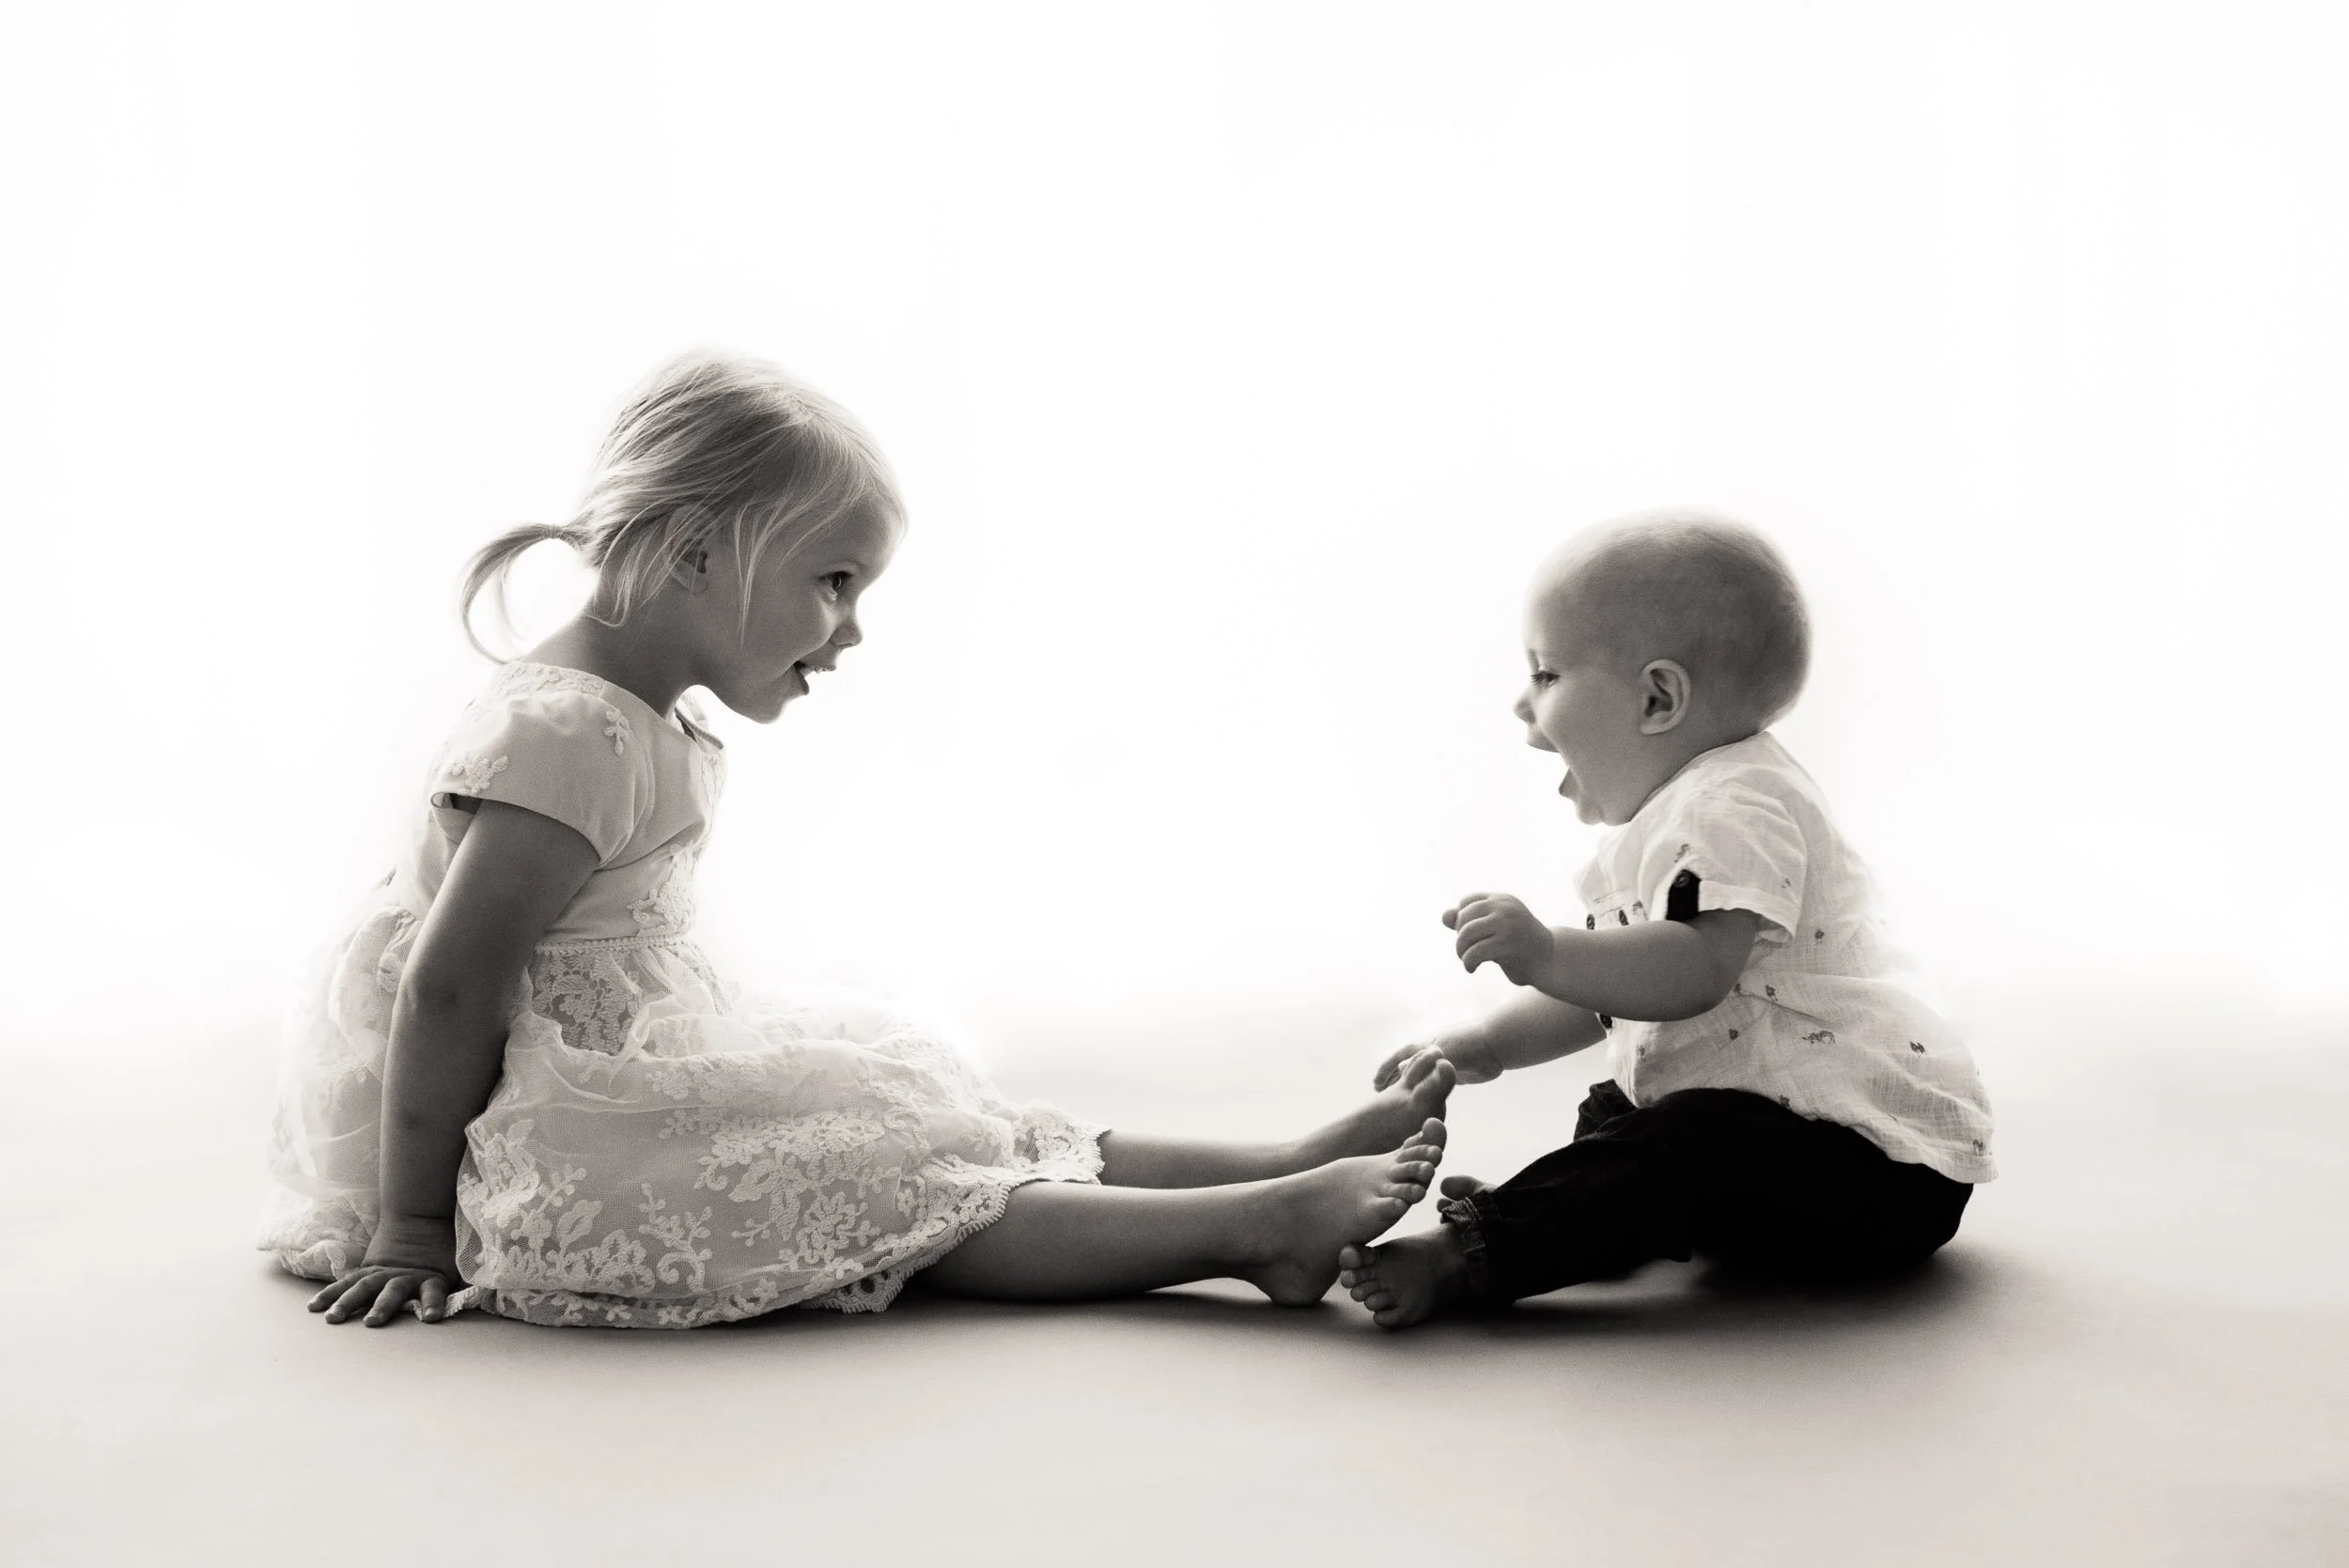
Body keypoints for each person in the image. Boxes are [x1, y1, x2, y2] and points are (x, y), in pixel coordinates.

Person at [261, 350, 1452, 1328]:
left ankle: (1272, 1162)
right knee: (872, 1181)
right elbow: (448, 985)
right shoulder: (570, 733)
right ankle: (1251, 1229)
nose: (851, 628)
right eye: (833, 581)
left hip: (622, 1037)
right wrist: (414, 1226)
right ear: (695, 552)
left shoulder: (630, 714)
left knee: (919, 1108)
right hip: (537, 1103)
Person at [1339, 512, 1993, 1328]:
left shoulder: (1734, 807)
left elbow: (1692, 971)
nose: (1522, 705)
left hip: (1870, 1171)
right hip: (1770, 1138)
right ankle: (1565, 1217)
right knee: (1618, 1111)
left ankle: (1476, 1251)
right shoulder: (1678, 816)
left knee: (1689, 1140)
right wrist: (1487, 1044)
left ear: (1657, 698)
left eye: (1545, 675)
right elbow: (1608, 993)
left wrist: (1545, 949)